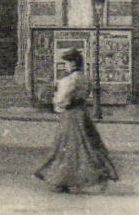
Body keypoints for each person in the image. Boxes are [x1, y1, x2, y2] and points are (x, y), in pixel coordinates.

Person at [34, 48, 119, 194]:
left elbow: (61, 100)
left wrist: (56, 103)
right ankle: (98, 174)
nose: (66, 66)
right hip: (83, 114)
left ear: (73, 63)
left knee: (66, 147)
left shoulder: (68, 81)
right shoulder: (85, 79)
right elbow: (86, 93)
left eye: (67, 63)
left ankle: (63, 180)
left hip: (70, 115)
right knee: (88, 145)